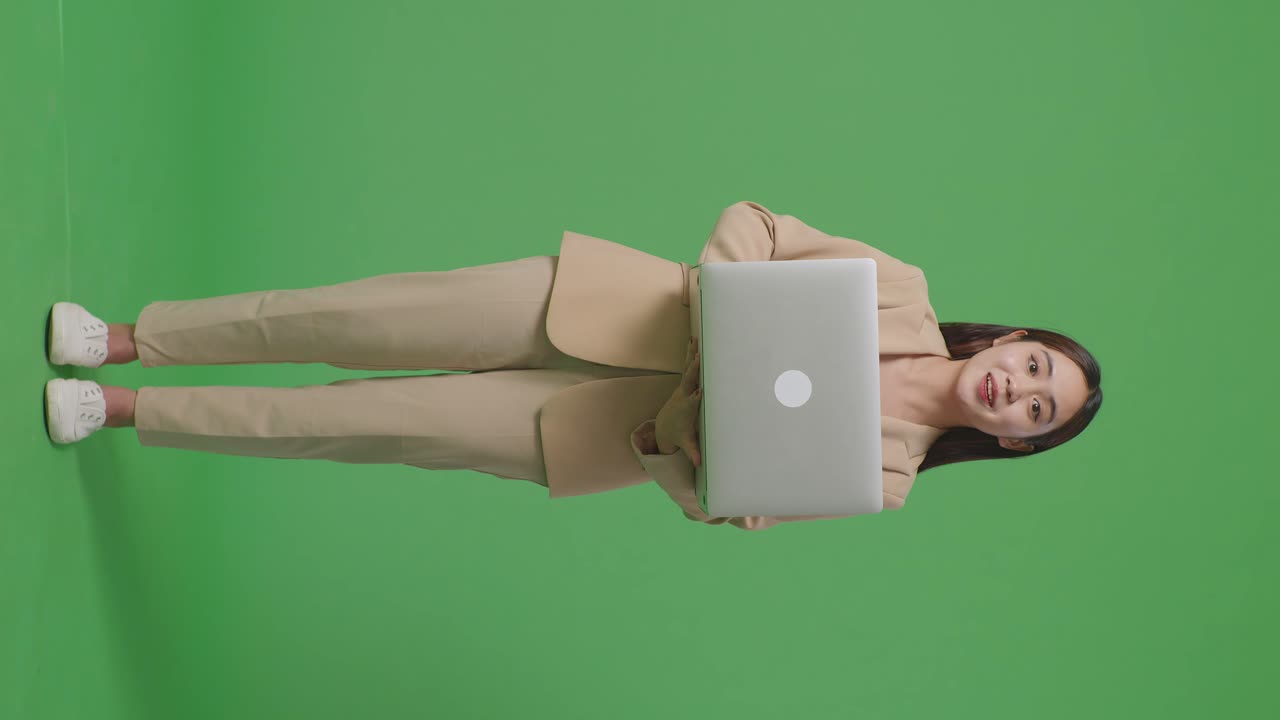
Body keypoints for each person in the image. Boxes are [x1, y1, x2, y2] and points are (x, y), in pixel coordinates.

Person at [43, 201, 1102, 530]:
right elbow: (755, 222)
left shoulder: (887, 480)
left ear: (1014, 440)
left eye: (1036, 411)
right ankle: (137, 335)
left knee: (347, 421)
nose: (1019, 388)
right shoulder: (898, 287)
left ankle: (124, 406)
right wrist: (714, 295)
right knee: (349, 320)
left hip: (595, 437)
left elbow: (723, 505)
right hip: (596, 301)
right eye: (1033, 365)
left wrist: (688, 446)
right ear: (1006, 342)